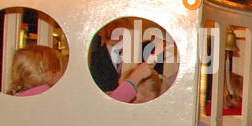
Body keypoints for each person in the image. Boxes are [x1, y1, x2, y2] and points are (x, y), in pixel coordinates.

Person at [11, 44, 151, 102]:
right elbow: (104, 110)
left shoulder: (16, 97)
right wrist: (135, 78)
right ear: (50, 72)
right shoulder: (49, 96)